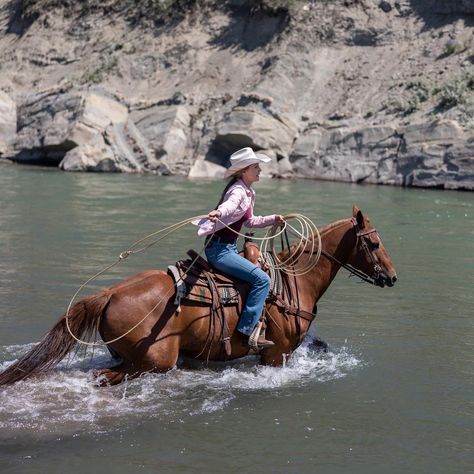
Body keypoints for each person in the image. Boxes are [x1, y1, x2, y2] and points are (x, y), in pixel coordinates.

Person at [195, 147, 284, 349]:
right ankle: (247, 331)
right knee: (263, 280)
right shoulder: (237, 190)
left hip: (228, 248)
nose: (259, 170)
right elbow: (230, 205)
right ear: (244, 171)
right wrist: (219, 212)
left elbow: (250, 221)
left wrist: (273, 219)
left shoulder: (248, 191)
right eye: (255, 167)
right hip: (220, 250)